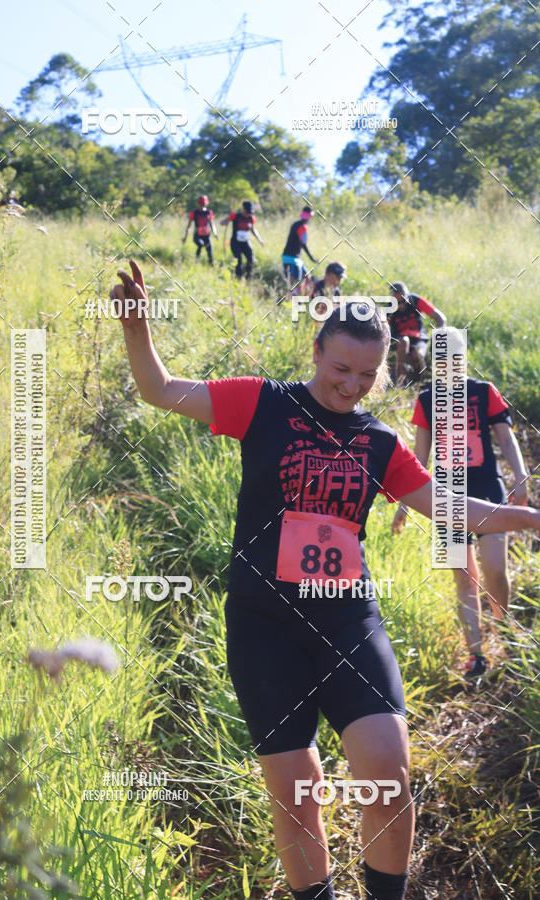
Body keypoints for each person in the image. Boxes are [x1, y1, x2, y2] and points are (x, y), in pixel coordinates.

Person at [111, 260, 539, 900]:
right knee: (297, 794)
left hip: (346, 618)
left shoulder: (379, 441)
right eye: (341, 368)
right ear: (315, 351)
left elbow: (454, 508)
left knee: (388, 777)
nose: (351, 385)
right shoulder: (262, 403)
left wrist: (528, 516)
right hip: (263, 624)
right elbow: (161, 389)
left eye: (367, 375)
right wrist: (137, 330)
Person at [392, 373, 529, 677]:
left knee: (495, 568)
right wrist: (404, 502)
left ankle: (503, 630)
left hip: (487, 489)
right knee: (464, 577)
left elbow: (506, 438)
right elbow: (420, 457)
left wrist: (520, 475)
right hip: (446, 497)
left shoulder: (484, 391)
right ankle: (476, 655)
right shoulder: (427, 399)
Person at [388, 282, 446, 383]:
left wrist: (439, 338)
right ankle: (402, 380)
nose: (401, 305)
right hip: (399, 341)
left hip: (418, 338)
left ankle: (420, 381)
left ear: (407, 295)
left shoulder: (415, 300)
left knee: (417, 355)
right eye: (397, 303)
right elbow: (384, 331)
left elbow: (441, 318)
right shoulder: (389, 309)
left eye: (403, 301)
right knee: (404, 341)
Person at [220, 200, 264, 278]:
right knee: (238, 260)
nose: (248, 214)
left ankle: (248, 277)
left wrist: (260, 240)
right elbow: (222, 222)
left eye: (250, 212)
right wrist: (225, 222)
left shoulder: (251, 218)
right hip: (235, 242)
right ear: (243, 209)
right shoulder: (235, 216)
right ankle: (238, 278)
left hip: (245, 242)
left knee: (251, 259)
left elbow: (253, 230)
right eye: (247, 212)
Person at [282, 206, 319, 293]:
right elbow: (303, 244)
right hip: (292, 259)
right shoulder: (302, 227)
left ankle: (303, 296)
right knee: (293, 284)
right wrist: (312, 258)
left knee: (307, 277)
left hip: (293, 258)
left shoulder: (296, 224)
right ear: (309, 217)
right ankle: (289, 299)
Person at [182, 195, 218, 265]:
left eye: (203, 204)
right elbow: (188, 226)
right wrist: (185, 237)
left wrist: (215, 233)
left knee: (210, 250)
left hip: (207, 235)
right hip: (197, 235)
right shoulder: (194, 213)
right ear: (198, 203)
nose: (202, 206)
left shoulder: (209, 212)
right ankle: (196, 261)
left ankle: (211, 264)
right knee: (200, 244)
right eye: (201, 204)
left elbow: (212, 224)